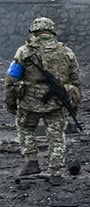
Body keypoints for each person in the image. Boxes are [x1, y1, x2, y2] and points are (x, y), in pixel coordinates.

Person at [4, 17, 82, 185]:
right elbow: (76, 81)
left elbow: (11, 79)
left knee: (25, 128)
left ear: (34, 31)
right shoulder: (67, 52)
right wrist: (74, 104)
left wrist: (10, 102)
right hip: (57, 103)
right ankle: (55, 172)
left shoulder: (24, 52)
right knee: (56, 136)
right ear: (52, 31)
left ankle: (31, 161)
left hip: (28, 103)